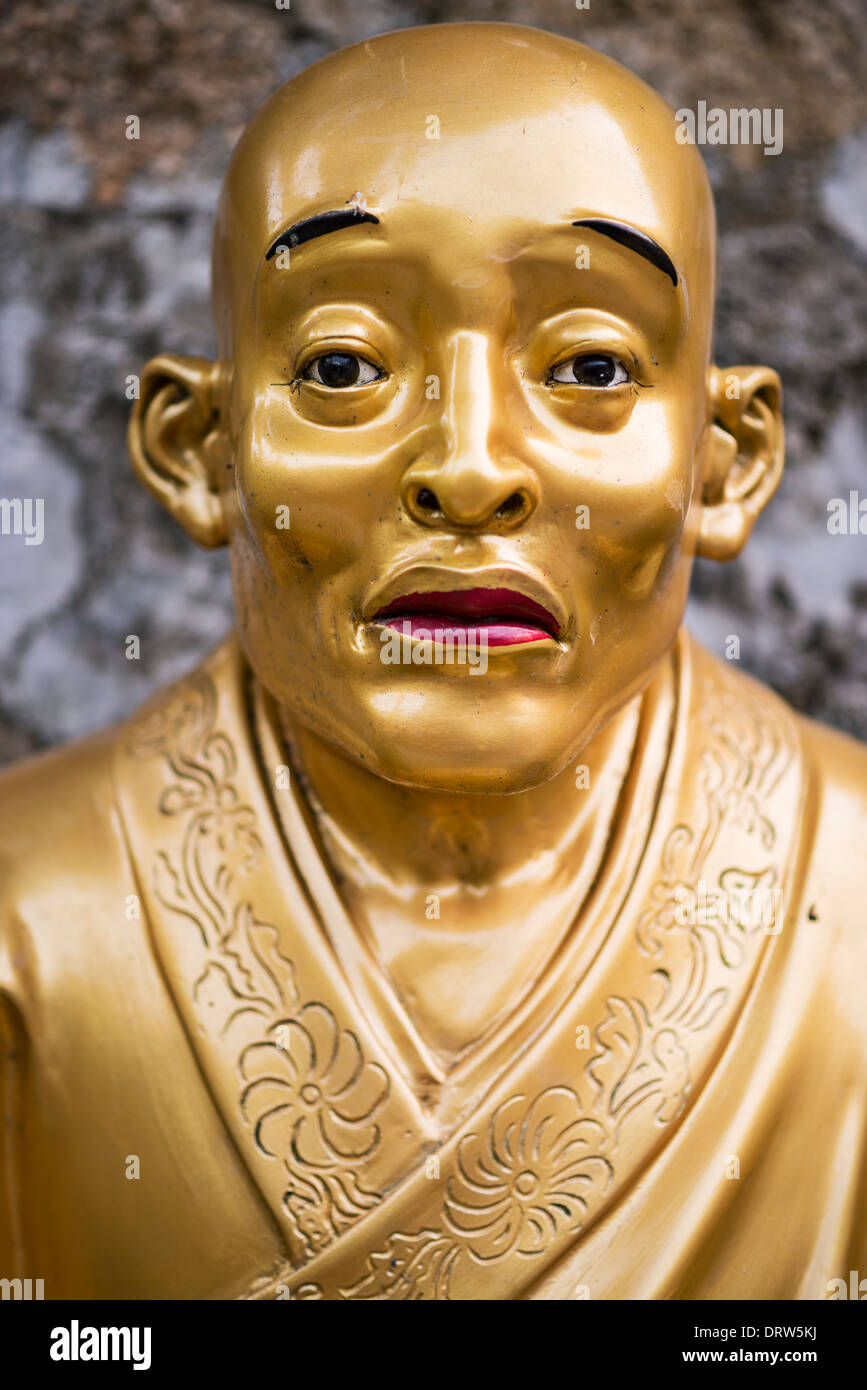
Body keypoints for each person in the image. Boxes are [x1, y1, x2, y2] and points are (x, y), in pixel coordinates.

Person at [1, 22, 865, 1300]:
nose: (468, 467)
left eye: (588, 366)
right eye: (344, 367)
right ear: (199, 448)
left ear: (725, 459)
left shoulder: (850, 909)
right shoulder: (31, 924)